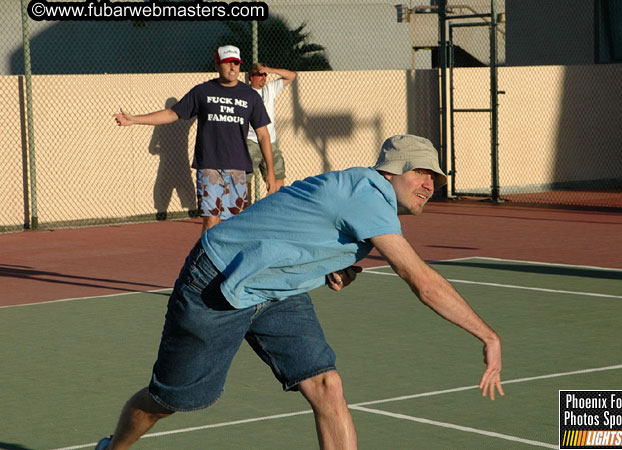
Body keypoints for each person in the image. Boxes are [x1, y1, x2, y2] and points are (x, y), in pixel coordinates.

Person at [95, 135, 504, 450]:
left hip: (277, 289)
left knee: (327, 386)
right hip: (219, 281)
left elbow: (299, 226)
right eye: (421, 173)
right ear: (393, 170)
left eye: (434, 177)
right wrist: (488, 336)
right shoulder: (368, 194)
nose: (429, 184)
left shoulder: (363, 193)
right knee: (168, 399)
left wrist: (334, 265)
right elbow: (423, 282)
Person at [113, 45, 279, 234]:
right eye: (227, 63)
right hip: (209, 165)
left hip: (237, 167)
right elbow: (171, 113)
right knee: (211, 219)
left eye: (236, 63)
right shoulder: (203, 91)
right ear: (217, 64)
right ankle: (206, 261)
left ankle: (226, 262)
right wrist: (134, 119)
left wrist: (270, 173)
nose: (232, 68)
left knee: (233, 223)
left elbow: (264, 135)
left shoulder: (250, 96)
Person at [246, 63, 296, 194]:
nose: (263, 77)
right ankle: (244, 210)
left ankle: (272, 210)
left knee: (278, 180)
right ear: (251, 77)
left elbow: (292, 76)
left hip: (271, 141)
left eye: (265, 74)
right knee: (244, 180)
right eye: (260, 74)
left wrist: (271, 70)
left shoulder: (270, 89)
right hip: (251, 140)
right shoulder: (245, 93)